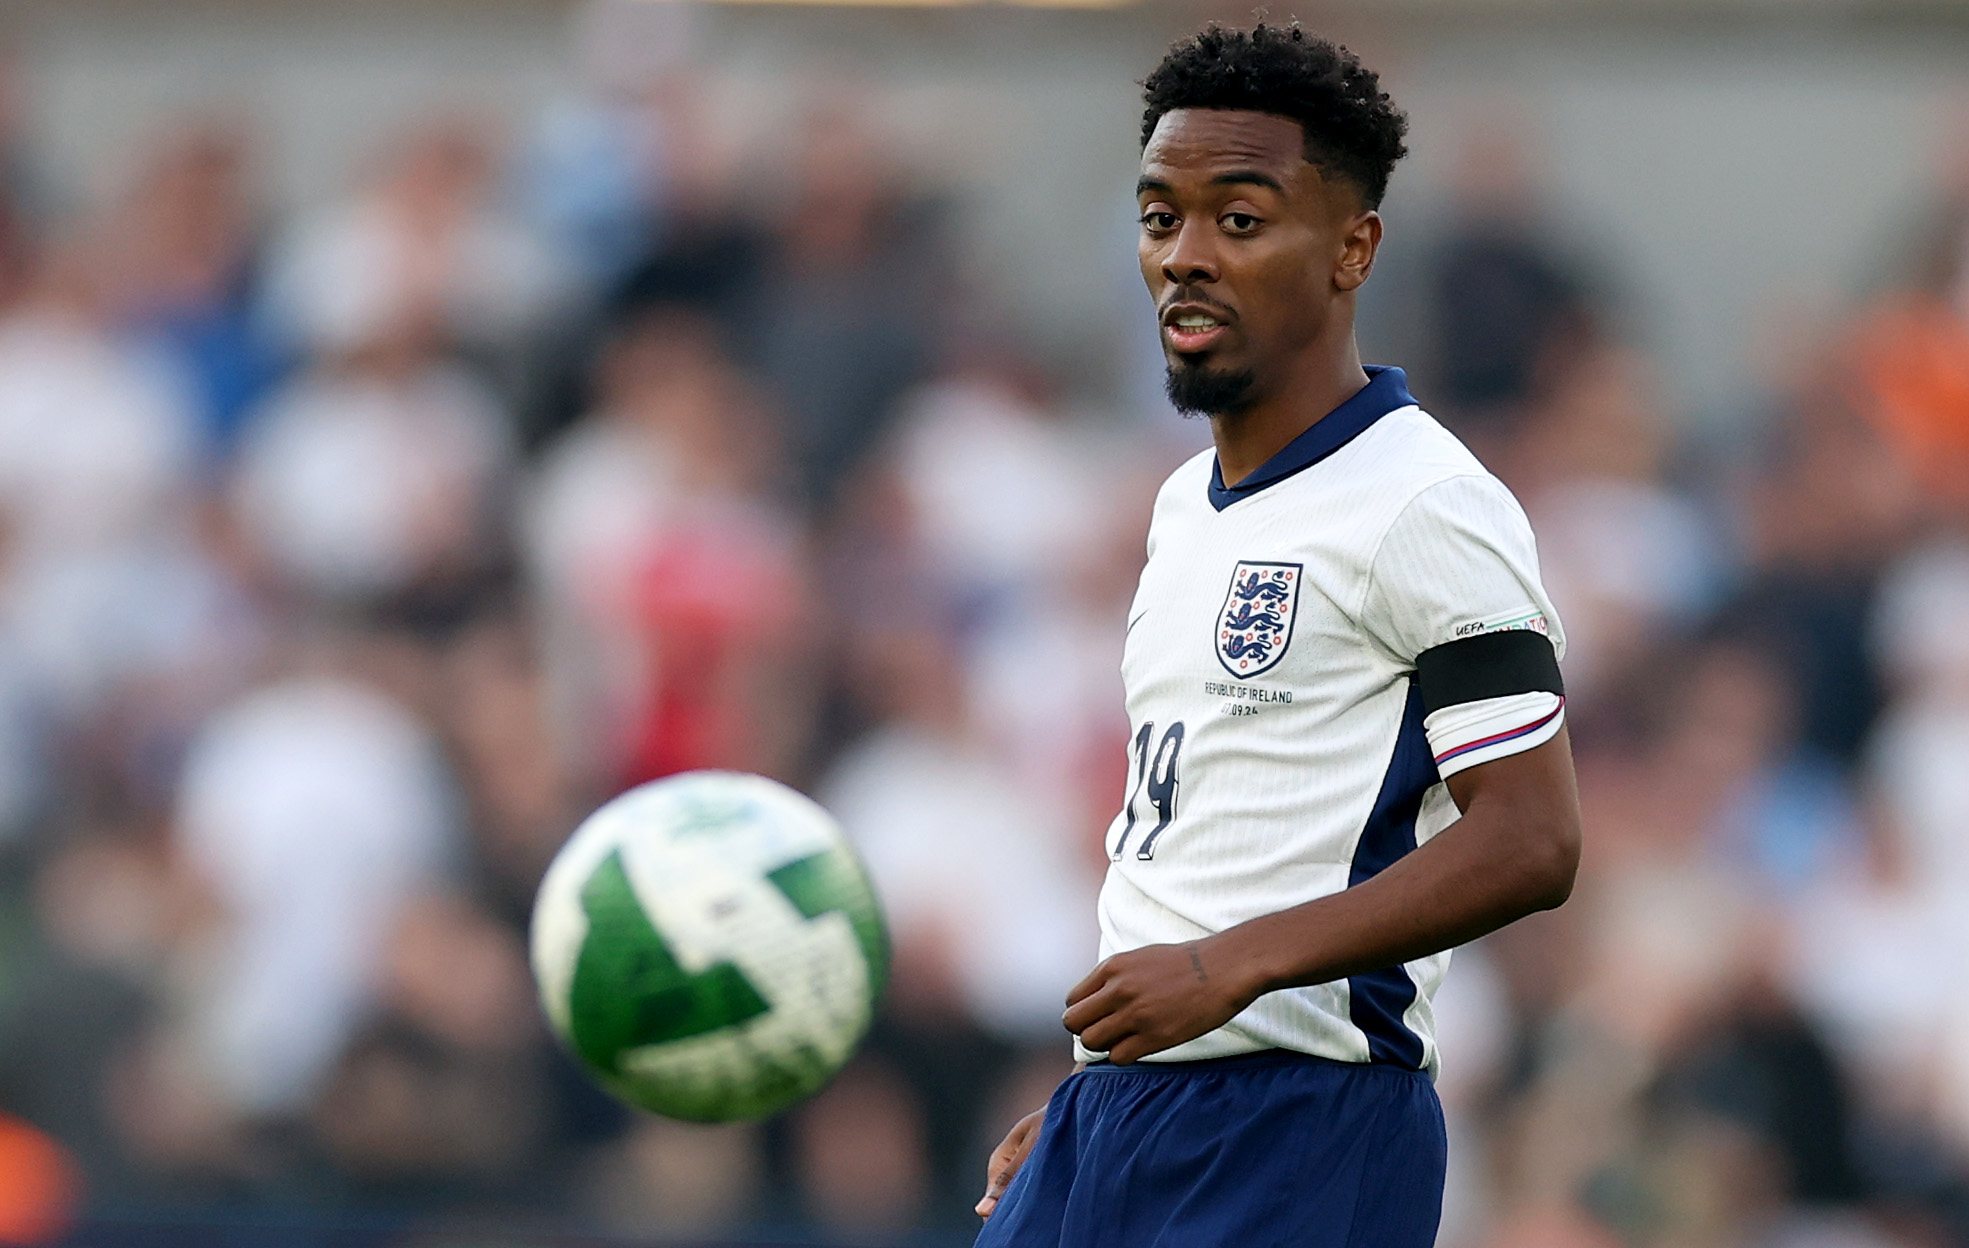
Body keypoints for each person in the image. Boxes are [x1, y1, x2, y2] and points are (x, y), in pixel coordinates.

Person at [972, 25, 1582, 1248]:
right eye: (1160, 218)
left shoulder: (1424, 501)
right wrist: (1101, 1085)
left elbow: (1531, 839)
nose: (1185, 258)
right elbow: (1208, 833)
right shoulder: (1178, 506)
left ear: (1351, 247)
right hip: (1129, 1116)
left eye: (1239, 222)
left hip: (1302, 1126)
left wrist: (1223, 975)